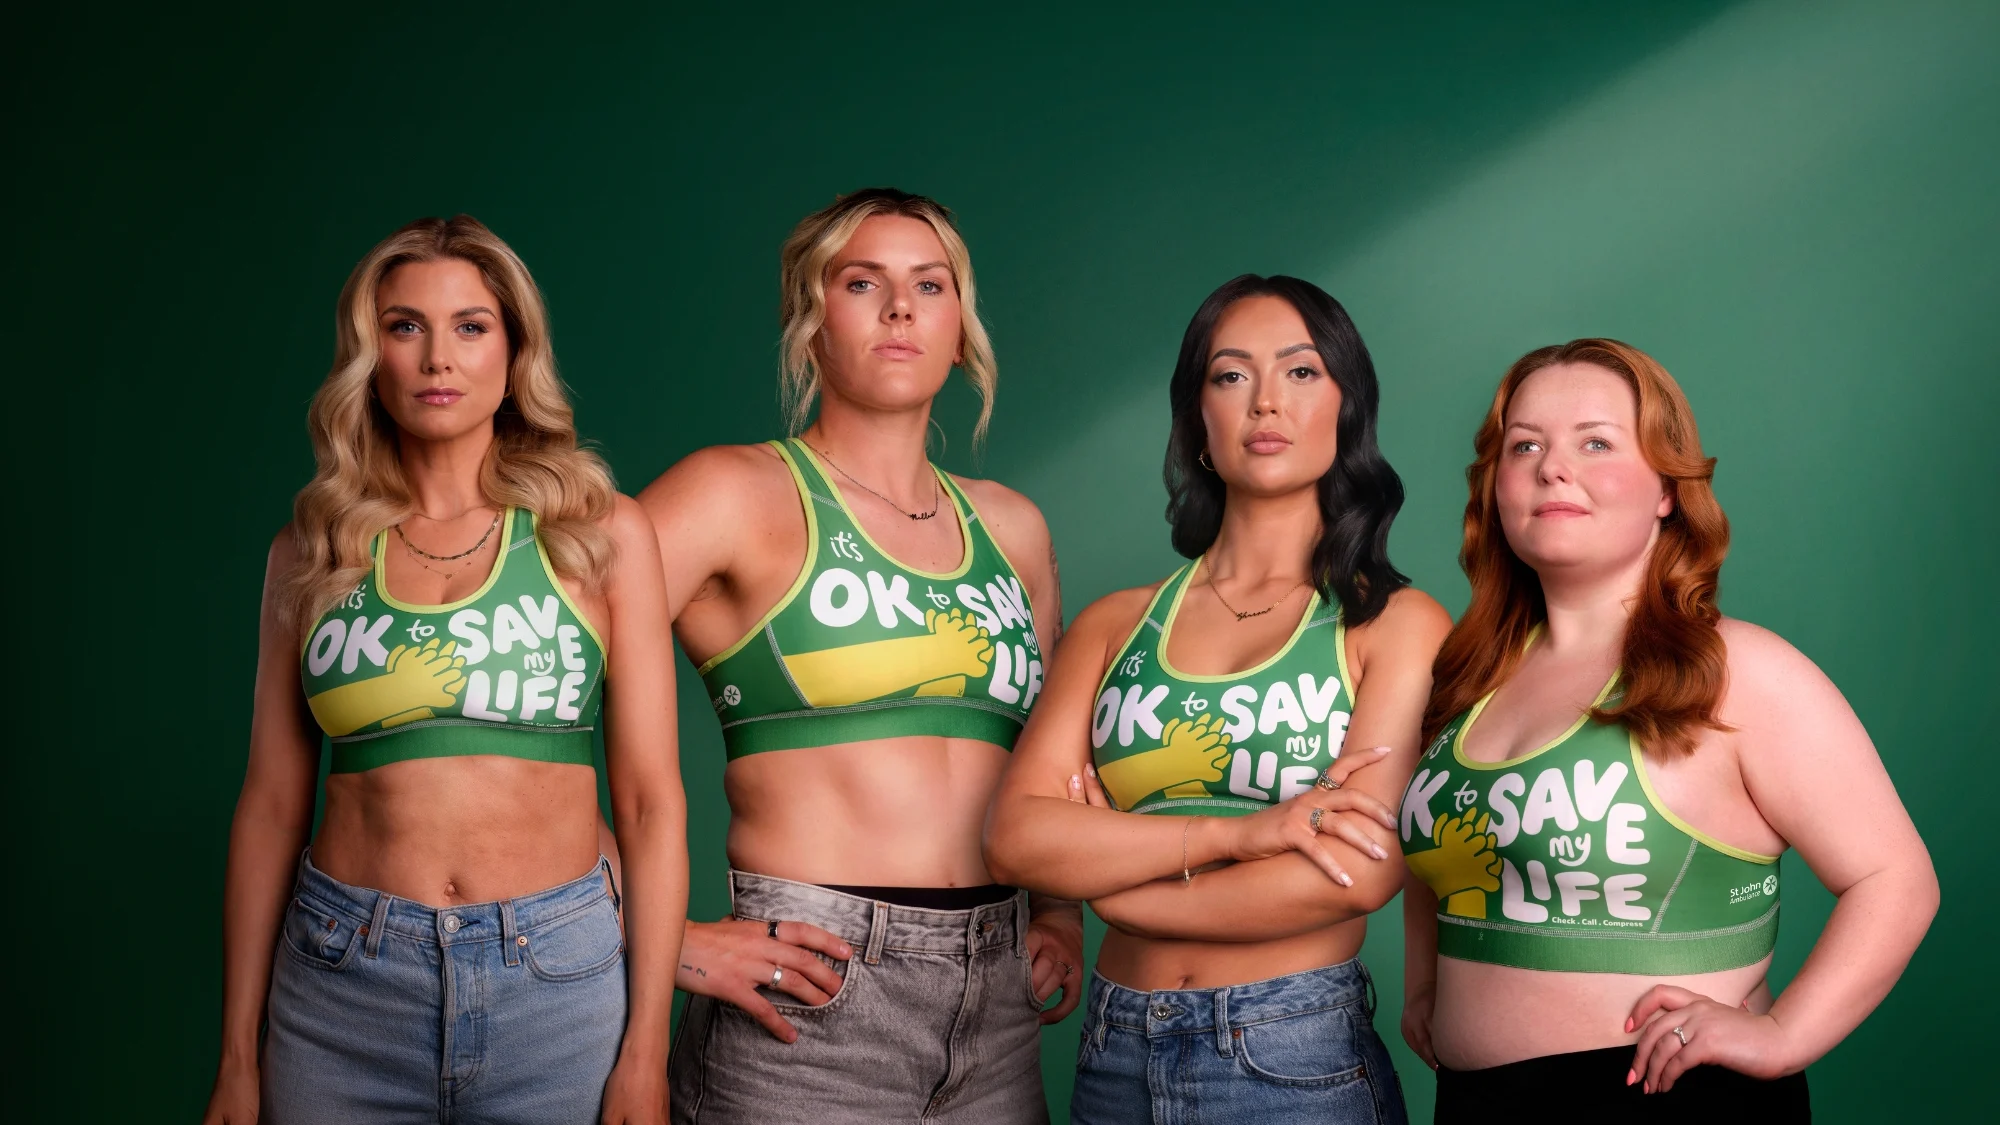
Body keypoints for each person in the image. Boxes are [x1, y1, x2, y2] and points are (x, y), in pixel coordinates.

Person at [202, 216, 687, 1125]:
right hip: (343, 984)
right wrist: (237, 1055)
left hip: (557, 983)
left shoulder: (598, 533)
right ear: (369, 354)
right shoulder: (314, 550)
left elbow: (653, 802)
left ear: (514, 352)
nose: (438, 357)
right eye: (404, 325)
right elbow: (270, 803)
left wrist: (647, 1048)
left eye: (471, 326)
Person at [1398, 338, 1939, 1120]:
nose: (1554, 466)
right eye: (1526, 445)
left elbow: (1896, 880)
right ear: (1496, 487)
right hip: (1472, 1099)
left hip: (1663, 1096)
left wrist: (1785, 1032)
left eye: (1596, 441)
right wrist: (1427, 985)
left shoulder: (1738, 670)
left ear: (1666, 489)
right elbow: (1435, 861)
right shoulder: (1468, 675)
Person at [643, 188, 1079, 1124]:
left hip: (997, 1010)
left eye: (930, 284)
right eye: (861, 282)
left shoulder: (1012, 527)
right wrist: (668, 941)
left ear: (960, 329)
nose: (900, 308)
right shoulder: (731, 492)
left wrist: (1058, 914)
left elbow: (1047, 758)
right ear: (812, 323)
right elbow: (520, 721)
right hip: (811, 997)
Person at [986, 275, 1450, 1124]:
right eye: (1231, 375)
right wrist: (1241, 833)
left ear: (1347, 407)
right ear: (1198, 417)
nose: (1266, 401)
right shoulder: (1112, 625)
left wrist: (1120, 885)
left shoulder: (1394, 622)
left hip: (1291, 1052)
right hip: (1113, 1049)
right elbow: (1017, 836)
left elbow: (1355, 870)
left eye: (1302, 372)